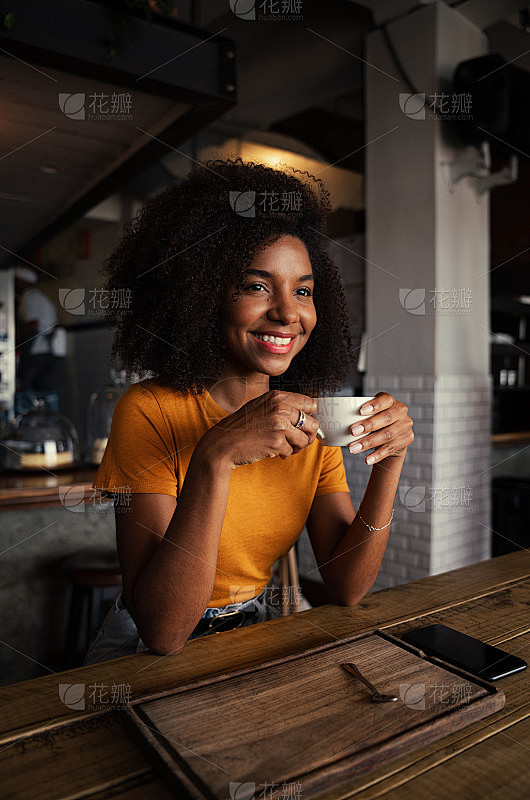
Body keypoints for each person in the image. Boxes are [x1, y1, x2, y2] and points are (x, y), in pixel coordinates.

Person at [84, 159, 413, 665]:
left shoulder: (312, 418)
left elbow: (347, 585)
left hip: (257, 634)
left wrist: (389, 465)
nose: (288, 312)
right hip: (144, 655)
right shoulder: (149, 411)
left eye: (302, 290)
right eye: (256, 286)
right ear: (201, 293)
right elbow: (163, 631)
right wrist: (215, 456)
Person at [14, 265, 67, 404]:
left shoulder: (29, 298)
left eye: (16, 281)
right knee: (43, 388)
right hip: (46, 352)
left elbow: (34, 324)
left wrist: (14, 339)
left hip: (35, 352)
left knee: (27, 390)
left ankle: (33, 421)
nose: (14, 285)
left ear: (24, 282)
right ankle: (49, 419)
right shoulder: (41, 298)